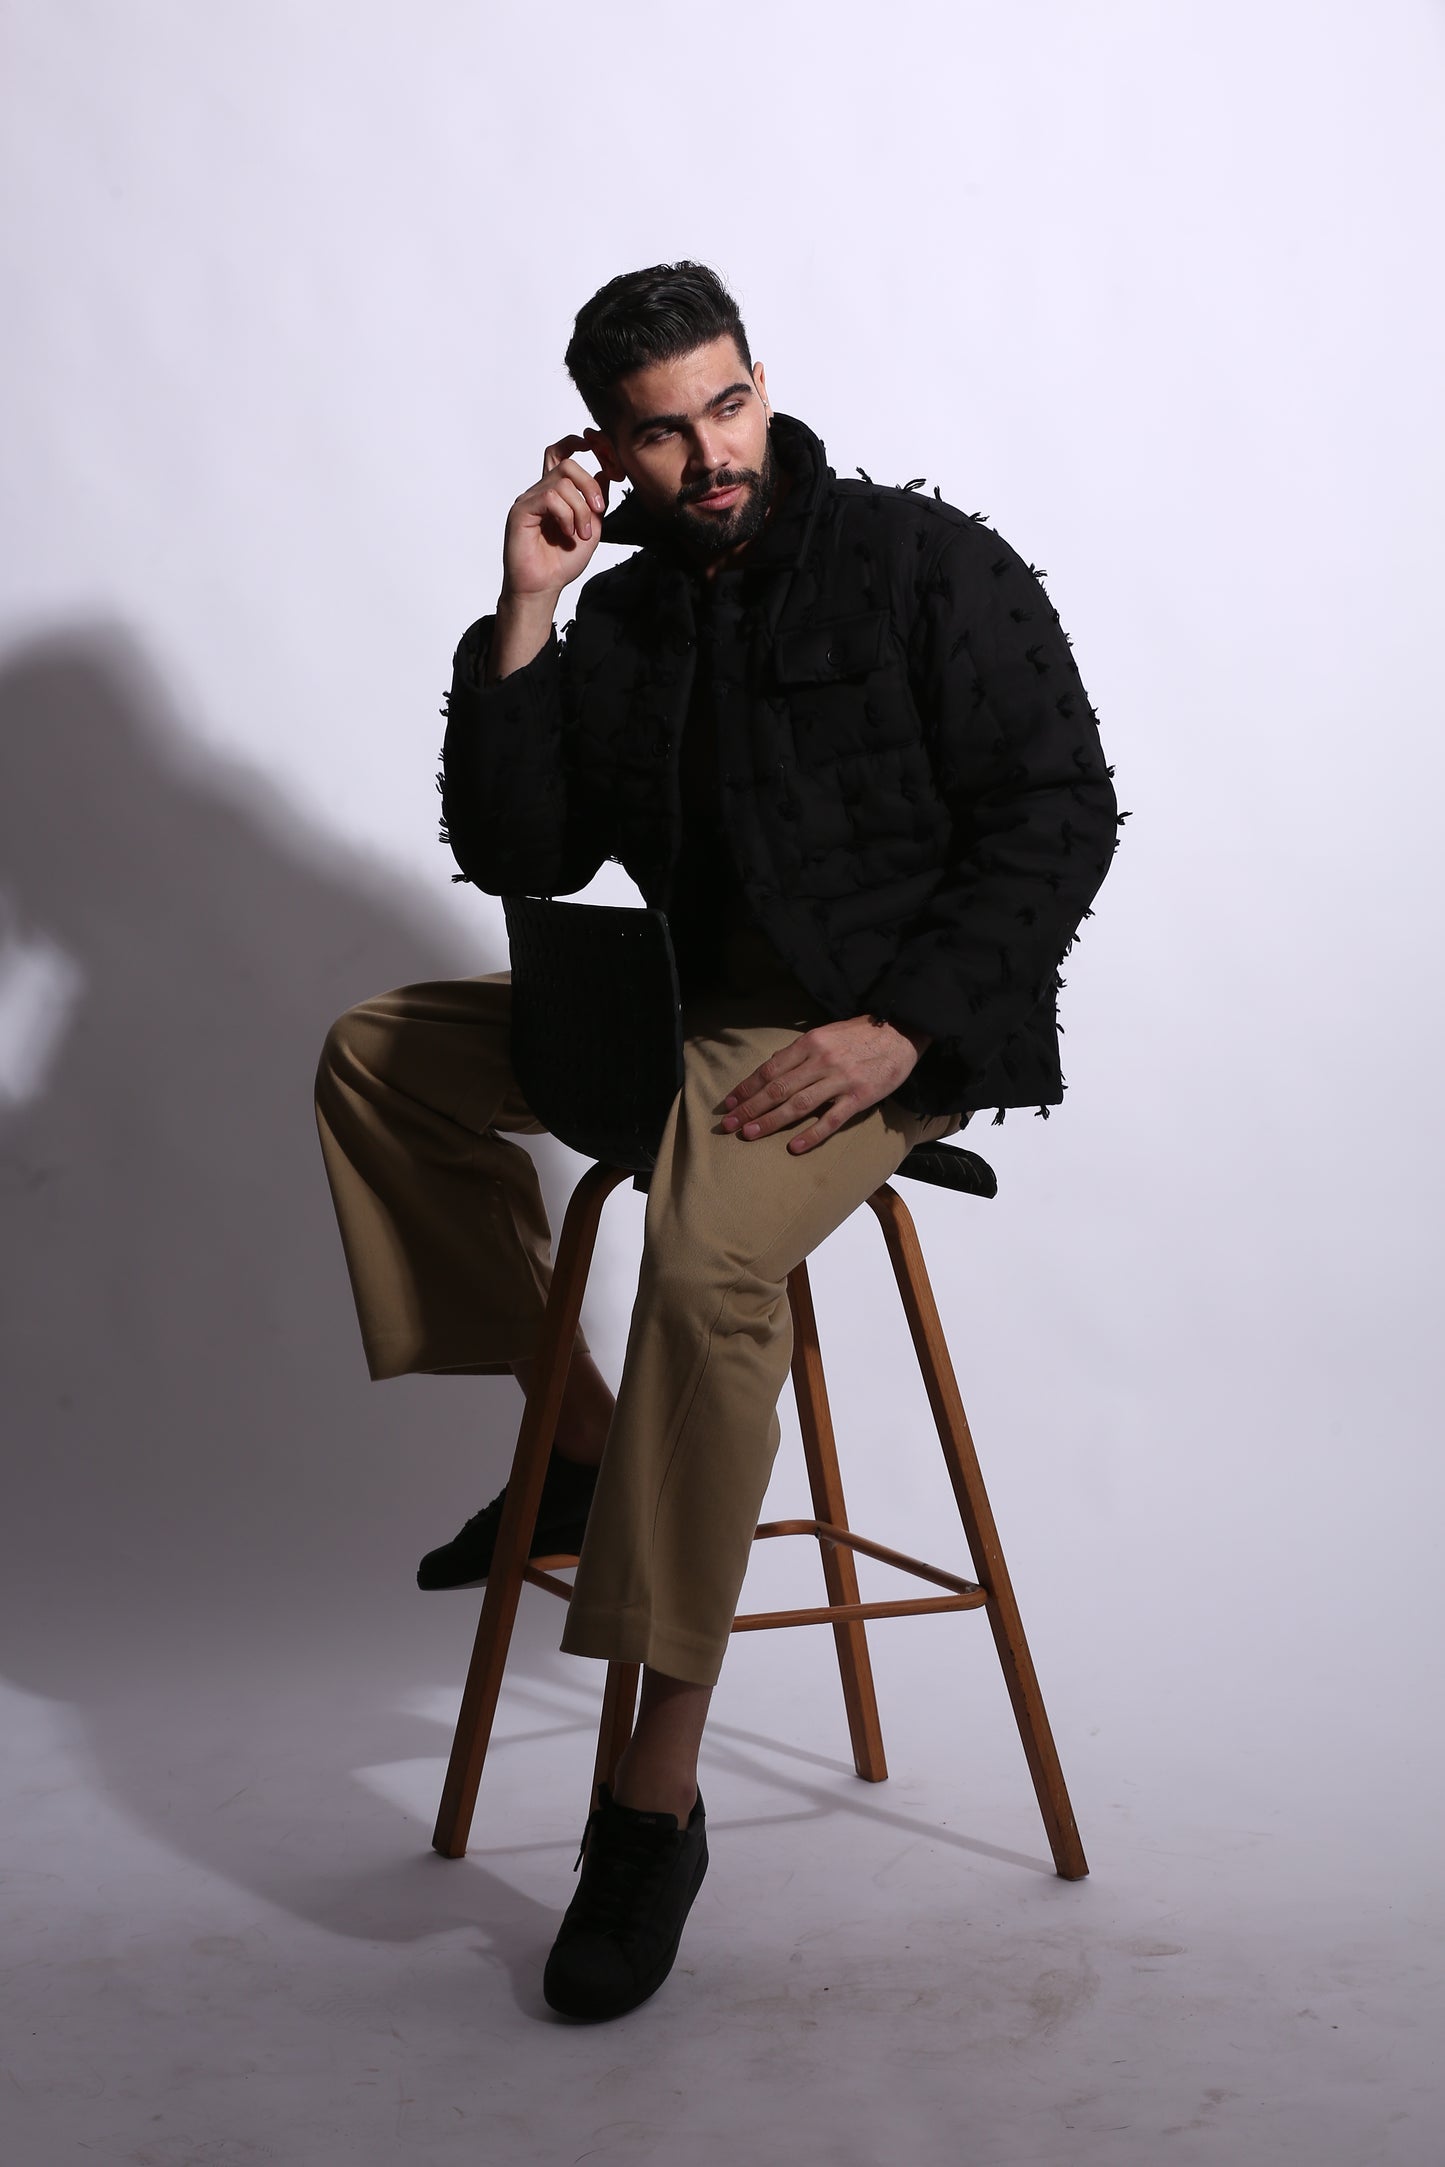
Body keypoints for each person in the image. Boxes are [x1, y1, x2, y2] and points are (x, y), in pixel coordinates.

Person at [314, 261, 1119, 2022]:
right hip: (660, 1001)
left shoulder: (921, 563)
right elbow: (519, 845)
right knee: (380, 1057)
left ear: (764, 384)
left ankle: (647, 1805)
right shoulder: (626, 617)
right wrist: (528, 603)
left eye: (728, 407)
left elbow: (1058, 812)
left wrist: (902, 1025)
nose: (709, 454)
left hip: (860, 1028)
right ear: (609, 446)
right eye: (663, 435)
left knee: (700, 1257)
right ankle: (582, 1441)